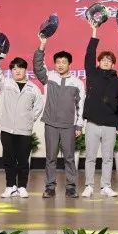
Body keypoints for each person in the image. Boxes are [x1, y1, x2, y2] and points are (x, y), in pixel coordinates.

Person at [34, 36, 86, 198]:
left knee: (69, 158)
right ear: (55, 64)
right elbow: (37, 66)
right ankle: (50, 187)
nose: (60, 65)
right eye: (58, 62)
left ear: (70, 64)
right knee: (50, 158)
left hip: (68, 126)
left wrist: (79, 125)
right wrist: (42, 45)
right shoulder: (49, 77)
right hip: (51, 124)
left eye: (64, 62)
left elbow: (81, 105)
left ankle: (71, 187)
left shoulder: (77, 83)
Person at [82, 23, 118, 198]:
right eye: (103, 59)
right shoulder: (92, 74)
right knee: (90, 157)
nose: (106, 62)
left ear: (113, 64)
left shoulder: (117, 81)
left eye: (109, 60)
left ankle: (106, 186)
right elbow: (89, 55)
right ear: (99, 62)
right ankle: (89, 186)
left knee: (108, 158)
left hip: (110, 124)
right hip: (92, 122)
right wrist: (94, 32)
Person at [0, 56, 44, 199]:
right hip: (7, 129)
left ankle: (22, 187)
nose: (17, 71)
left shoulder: (33, 88)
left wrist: (29, 119)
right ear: (11, 71)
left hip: (24, 130)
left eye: (20, 67)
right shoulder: (5, 84)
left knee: (23, 160)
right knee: (8, 159)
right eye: (14, 68)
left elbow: (38, 107)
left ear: (25, 69)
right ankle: (10, 186)